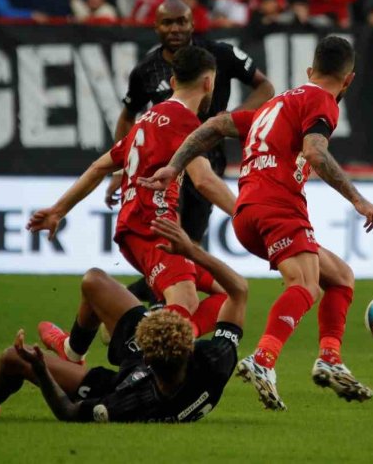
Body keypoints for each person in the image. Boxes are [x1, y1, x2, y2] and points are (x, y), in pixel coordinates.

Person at [140, 36, 373, 410]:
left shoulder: (276, 103)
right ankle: (263, 360)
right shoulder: (321, 100)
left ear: (310, 71)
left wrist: (174, 166)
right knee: (306, 285)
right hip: (278, 206)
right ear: (349, 80)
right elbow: (314, 152)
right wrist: (359, 200)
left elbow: (212, 127)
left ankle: (330, 359)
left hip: (246, 213)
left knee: (339, 277)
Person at [0, 218, 248, 423]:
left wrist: (40, 370)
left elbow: (67, 412)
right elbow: (238, 291)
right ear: (189, 346)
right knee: (94, 282)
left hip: (116, 380)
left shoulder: (128, 403)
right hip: (153, 365)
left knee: (12, 359)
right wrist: (191, 250)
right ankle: (72, 351)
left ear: (146, 352)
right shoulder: (214, 360)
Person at [28, 46, 235, 340]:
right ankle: (136, 338)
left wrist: (59, 210)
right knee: (187, 301)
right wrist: (245, 213)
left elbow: (100, 166)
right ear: (208, 83)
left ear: (174, 82)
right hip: (153, 228)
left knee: (229, 292)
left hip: (139, 225)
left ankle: (74, 349)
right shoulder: (185, 122)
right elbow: (204, 181)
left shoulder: (148, 118)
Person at [106, 0, 275, 302]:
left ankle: (127, 306)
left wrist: (230, 118)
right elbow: (127, 117)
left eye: (181, 21)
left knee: (188, 249)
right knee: (171, 248)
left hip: (209, 159)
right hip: (164, 168)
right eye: (167, 23)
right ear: (156, 27)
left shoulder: (219, 54)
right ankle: (160, 322)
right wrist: (121, 168)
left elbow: (265, 88)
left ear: (192, 24)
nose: (175, 29)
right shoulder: (146, 69)